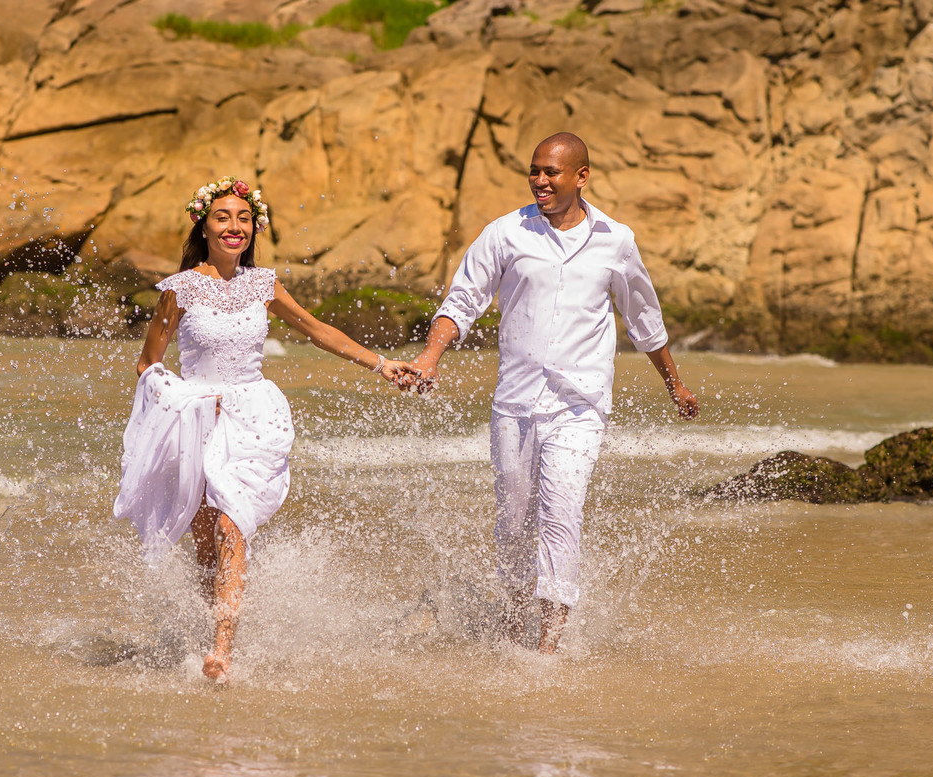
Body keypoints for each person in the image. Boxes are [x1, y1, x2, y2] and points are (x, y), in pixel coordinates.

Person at [400, 133, 700, 654]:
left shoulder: (616, 239)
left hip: (580, 406)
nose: (539, 180)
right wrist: (430, 357)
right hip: (514, 405)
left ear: (581, 176)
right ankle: (515, 630)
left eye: (551, 172)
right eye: (534, 171)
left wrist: (674, 386)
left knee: (561, 514)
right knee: (515, 524)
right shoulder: (506, 232)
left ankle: (548, 648)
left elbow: (643, 319)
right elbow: (463, 299)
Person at [114, 175, 416, 683]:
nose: (235, 228)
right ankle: (208, 627)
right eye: (223, 218)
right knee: (206, 541)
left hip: (253, 416)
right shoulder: (179, 290)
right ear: (203, 227)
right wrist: (176, 404)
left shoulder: (263, 284)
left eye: (244, 219)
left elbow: (318, 330)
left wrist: (381, 364)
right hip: (197, 419)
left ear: (254, 228)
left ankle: (221, 649)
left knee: (233, 523)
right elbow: (148, 364)